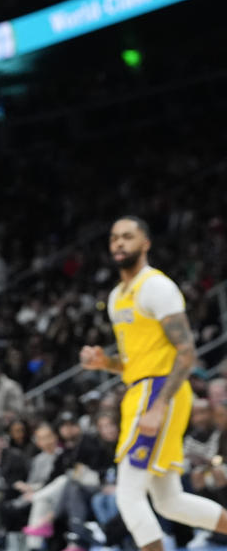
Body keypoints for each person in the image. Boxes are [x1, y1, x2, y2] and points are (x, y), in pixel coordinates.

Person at [79, 216, 227, 551]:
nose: (119, 243)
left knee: (128, 494)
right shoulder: (117, 297)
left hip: (160, 392)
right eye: (114, 237)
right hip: (141, 389)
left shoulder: (157, 287)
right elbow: (134, 364)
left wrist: (159, 405)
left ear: (145, 243)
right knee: (169, 500)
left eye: (128, 237)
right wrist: (106, 363)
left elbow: (186, 353)